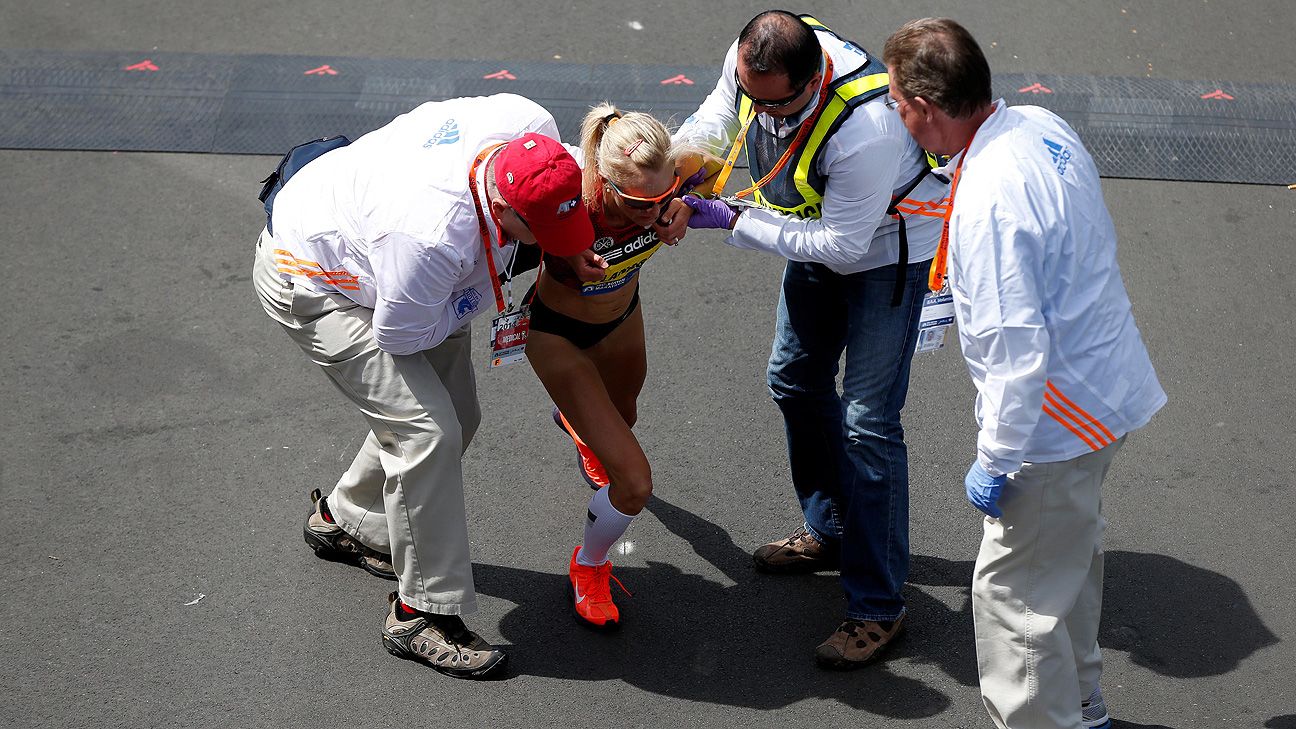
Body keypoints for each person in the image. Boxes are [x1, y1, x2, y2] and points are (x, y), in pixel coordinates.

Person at [252, 93, 598, 679]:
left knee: (459, 412)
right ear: (502, 206)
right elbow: (406, 335)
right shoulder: (431, 239)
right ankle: (421, 616)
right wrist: (493, 282)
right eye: (540, 235)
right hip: (313, 278)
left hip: (370, 243)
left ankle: (346, 521)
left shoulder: (530, 128)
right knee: (426, 433)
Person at [883, 18, 1166, 728]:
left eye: (896, 101)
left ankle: (1049, 718)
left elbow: (1014, 345)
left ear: (924, 106)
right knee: (1067, 566)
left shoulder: (988, 201)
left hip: (1054, 423)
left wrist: (998, 458)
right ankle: (1083, 705)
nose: (894, 114)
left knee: (1016, 599)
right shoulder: (1039, 125)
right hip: (1104, 390)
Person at [668, 10, 950, 667]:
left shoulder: (868, 128)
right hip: (818, 227)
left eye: (779, 105)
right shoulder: (755, 61)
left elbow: (844, 247)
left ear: (814, 80)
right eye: (754, 96)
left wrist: (731, 218)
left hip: (885, 253)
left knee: (868, 423)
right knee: (793, 378)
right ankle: (832, 529)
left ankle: (878, 607)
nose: (764, 116)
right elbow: (720, 111)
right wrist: (678, 167)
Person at [526, 104, 700, 629]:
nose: (651, 212)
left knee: (624, 419)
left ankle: (581, 426)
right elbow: (492, 208)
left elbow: (710, 174)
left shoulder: (679, 173)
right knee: (633, 483)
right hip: (559, 337)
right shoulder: (571, 201)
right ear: (604, 180)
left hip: (623, 317)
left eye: (661, 197)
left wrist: (687, 205)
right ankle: (589, 565)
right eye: (636, 202)